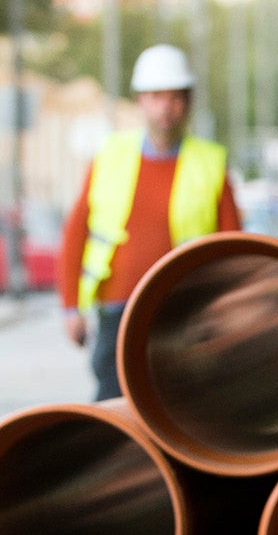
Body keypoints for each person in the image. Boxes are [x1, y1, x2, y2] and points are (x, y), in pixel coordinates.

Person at [57, 44, 241, 401]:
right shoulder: (110, 156)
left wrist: (228, 309)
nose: (165, 108)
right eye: (156, 97)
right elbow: (75, 234)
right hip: (116, 310)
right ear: (140, 100)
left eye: (175, 97)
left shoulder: (210, 163)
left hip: (182, 310)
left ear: (187, 103)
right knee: (113, 407)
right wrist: (70, 308)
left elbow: (234, 248)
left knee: (181, 406)